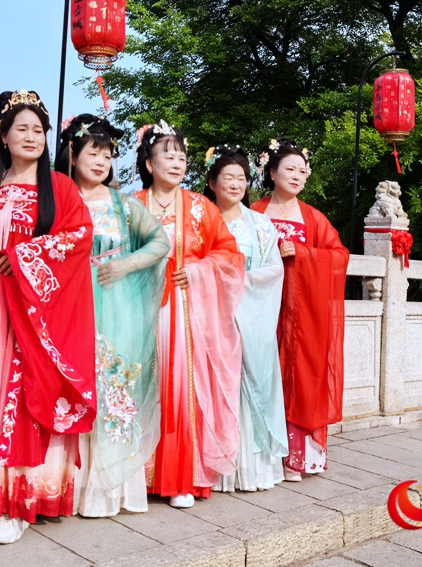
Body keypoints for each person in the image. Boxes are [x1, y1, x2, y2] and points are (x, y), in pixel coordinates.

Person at [0, 90, 96, 544]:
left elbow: (77, 237)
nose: (31, 137)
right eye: (21, 129)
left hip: (37, 320)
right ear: (3, 137)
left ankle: (20, 504)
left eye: (38, 130)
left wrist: (24, 256)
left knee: (27, 398)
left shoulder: (61, 189)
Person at [54, 114, 169, 516]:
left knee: (115, 391)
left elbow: (160, 243)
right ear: (72, 152)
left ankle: (110, 491)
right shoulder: (58, 198)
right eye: (93, 151)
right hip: (71, 305)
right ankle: (67, 487)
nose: (101, 161)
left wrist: (127, 264)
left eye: (107, 154)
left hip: (118, 309)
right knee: (74, 391)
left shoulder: (122, 204)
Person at [134, 121, 245, 508]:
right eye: (168, 153)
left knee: (181, 390)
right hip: (140, 311)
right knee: (139, 386)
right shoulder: (132, 204)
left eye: (181, 155)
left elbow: (229, 255)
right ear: (149, 163)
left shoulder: (200, 207)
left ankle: (181, 477)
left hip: (185, 311)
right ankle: (136, 477)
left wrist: (197, 270)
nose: (177, 161)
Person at [250, 138, 348, 482]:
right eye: (290, 169)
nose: (297, 176)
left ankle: (297, 457)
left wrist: (303, 253)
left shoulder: (313, 217)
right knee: (260, 372)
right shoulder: (254, 212)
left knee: (301, 375)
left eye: (302, 171)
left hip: (302, 311)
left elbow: (339, 256)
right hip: (262, 305)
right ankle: (260, 458)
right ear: (271, 171)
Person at [203, 145, 289, 492]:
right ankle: (217, 468)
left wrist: (239, 279)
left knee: (253, 386)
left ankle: (252, 470)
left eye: (241, 177)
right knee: (217, 389)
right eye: (228, 177)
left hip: (252, 314)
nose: (235, 184)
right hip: (213, 313)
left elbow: (273, 267)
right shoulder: (203, 218)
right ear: (212, 182)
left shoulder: (260, 223)